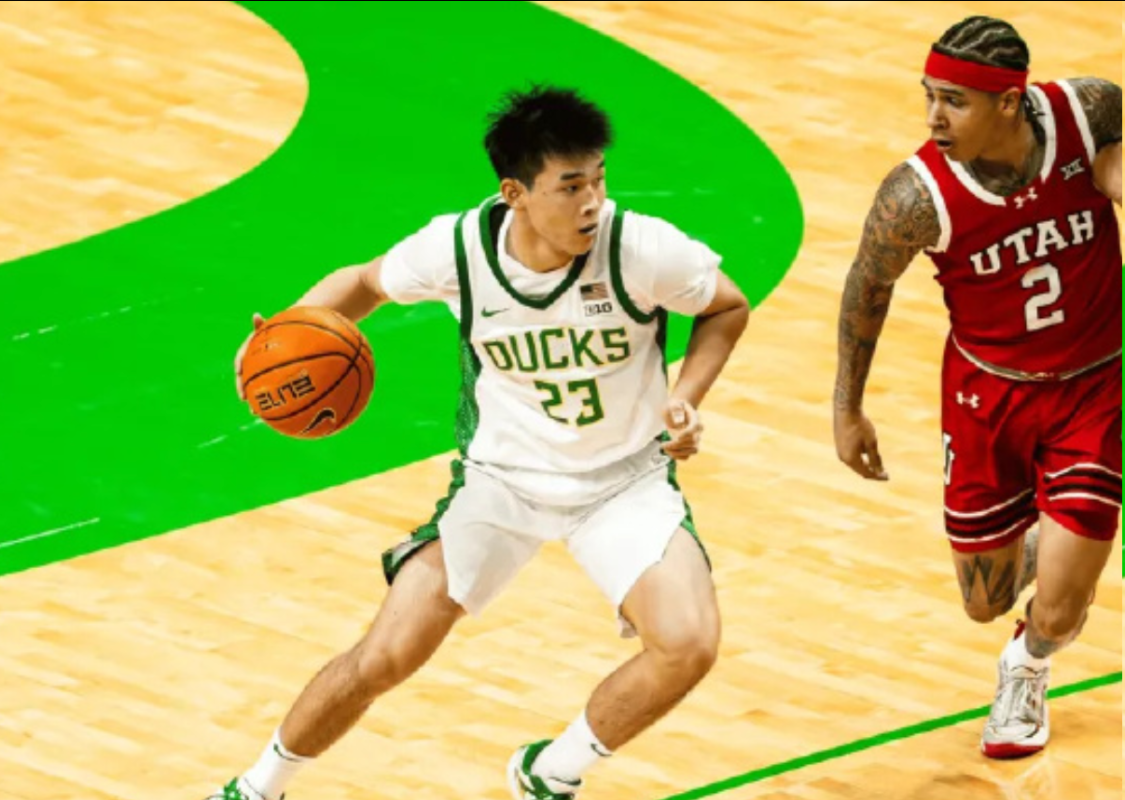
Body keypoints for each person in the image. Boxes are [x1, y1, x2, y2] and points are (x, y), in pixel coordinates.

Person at [210, 85, 750, 800]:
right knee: (386, 656)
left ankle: (550, 772)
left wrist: (685, 396)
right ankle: (257, 788)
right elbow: (364, 282)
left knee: (688, 644)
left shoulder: (641, 248)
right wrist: (284, 332)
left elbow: (726, 305)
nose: (592, 201)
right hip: (501, 482)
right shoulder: (456, 250)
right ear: (514, 193)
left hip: (623, 483)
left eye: (598, 179)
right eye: (570, 186)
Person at [833, 15, 1121, 759]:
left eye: (953, 101)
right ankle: (1046, 540)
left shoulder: (1087, 112)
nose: (933, 117)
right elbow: (866, 287)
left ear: (1008, 102)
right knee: (981, 603)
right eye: (928, 96)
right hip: (986, 396)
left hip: (1094, 388)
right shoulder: (914, 195)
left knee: (1057, 607)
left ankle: (1027, 667)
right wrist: (847, 408)